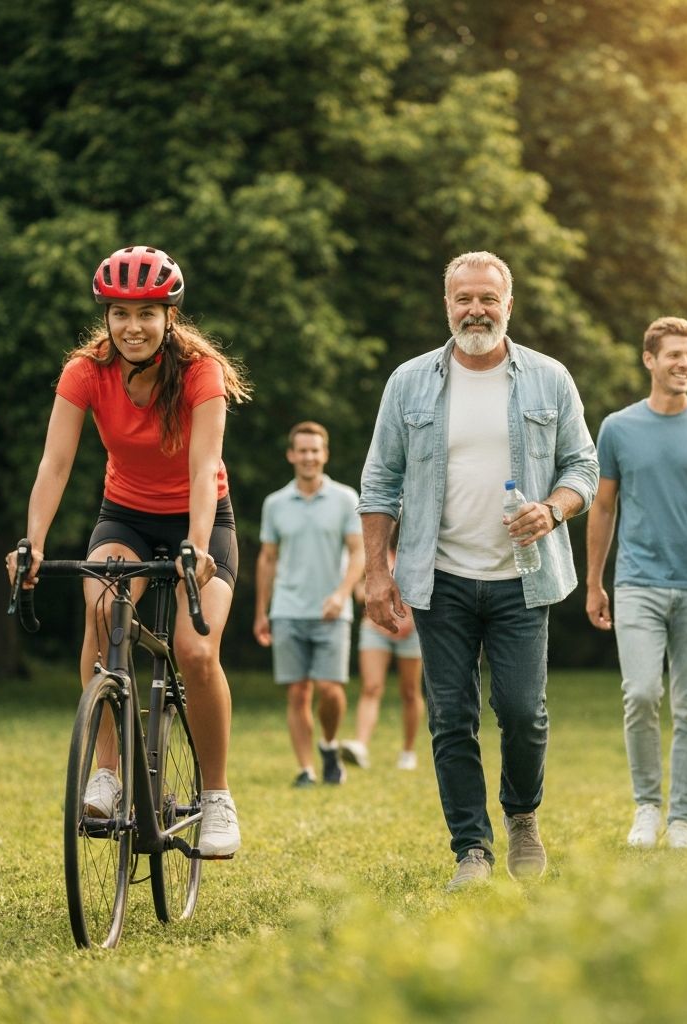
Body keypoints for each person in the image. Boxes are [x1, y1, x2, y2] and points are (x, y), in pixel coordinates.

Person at [359, 250, 599, 891]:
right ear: (447, 305)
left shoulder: (549, 378)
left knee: (523, 712)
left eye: (488, 299)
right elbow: (379, 480)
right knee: (450, 717)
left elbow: (584, 468)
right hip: (439, 578)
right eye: (464, 298)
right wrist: (376, 572)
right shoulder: (409, 382)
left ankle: (522, 816)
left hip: (524, 577)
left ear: (508, 305)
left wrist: (552, 509)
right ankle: (472, 849)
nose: (476, 310)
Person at [7, 245, 250, 857]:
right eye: (120, 314)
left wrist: (197, 546)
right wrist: (31, 542)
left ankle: (217, 796)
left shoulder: (200, 372)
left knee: (196, 650)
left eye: (146, 314)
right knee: (103, 613)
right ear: (106, 318)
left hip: (202, 519)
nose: (132, 327)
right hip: (127, 518)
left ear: (170, 316)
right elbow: (55, 463)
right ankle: (109, 772)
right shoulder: (85, 371)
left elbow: (203, 468)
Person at [586, 316, 687, 850]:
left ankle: (681, 819)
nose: (684, 364)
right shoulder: (617, 427)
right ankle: (647, 808)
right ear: (649, 360)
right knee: (640, 693)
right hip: (637, 583)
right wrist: (594, 581)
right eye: (673, 355)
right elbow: (603, 506)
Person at [254, 421, 364, 786]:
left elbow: (358, 551)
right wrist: (262, 612)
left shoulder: (346, 499)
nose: (308, 456)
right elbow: (268, 558)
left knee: (331, 691)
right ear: (291, 455)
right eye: (302, 450)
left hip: (331, 611)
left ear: (325, 454)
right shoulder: (275, 504)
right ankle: (306, 770)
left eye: (315, 450)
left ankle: (329, 744)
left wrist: (342, 593)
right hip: (287, 610)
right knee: (298, 692)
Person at [341, 524, 424, 772]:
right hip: (375, 629)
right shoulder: (375, 556)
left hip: (412, 631)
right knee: (371, 687)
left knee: (410, 691)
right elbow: (358, 590)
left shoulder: (419, 554)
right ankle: (361, 746)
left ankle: (408, 752)